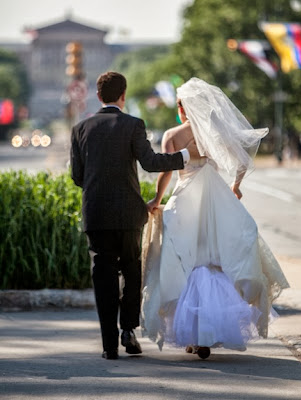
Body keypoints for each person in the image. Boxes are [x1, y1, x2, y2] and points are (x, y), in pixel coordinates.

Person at [141, 77, 289, 358]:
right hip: (216, 198)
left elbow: (167, 172)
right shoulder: (214, 133)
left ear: (182, 108)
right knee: (217, 262)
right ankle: (210, 332)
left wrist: (157, 201)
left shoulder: (172, 135)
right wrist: (236, 186)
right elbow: (242, 159)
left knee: (185, 261)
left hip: (187, 199)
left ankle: (192, 335)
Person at [70, 71, 197, 360]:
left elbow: (78, 176)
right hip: (129, 213)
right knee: (131, 271)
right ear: (123, 96)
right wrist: (185, 157)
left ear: (99, 96)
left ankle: (109, 345)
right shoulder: (133, 125)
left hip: (97, 213)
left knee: (103, 277)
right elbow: (151, 163)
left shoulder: (80, 128)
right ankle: (128, 330)